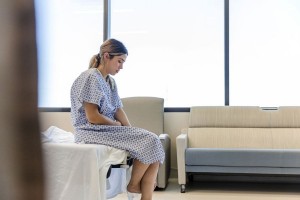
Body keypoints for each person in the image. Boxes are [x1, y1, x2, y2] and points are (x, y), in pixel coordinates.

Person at [70, 38, 165, 200]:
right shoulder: (90, 77)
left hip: (106, 129)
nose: (121, 67)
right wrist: (116, 124)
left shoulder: (110, 81)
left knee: (154, 147)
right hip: (89, 130)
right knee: (151, 139)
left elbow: (118, 109)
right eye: (119, 61)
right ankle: (134, 185)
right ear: (107, 56)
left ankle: (146, 197)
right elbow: (92, 117)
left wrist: (130, 130)